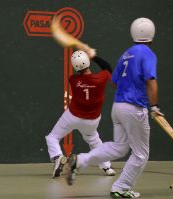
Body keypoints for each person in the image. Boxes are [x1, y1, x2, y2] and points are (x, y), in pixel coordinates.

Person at [65, 17, 164, 198]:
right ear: (152, 35)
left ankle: (80, 160)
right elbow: (151, 81)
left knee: (119, 147)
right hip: (134, 108)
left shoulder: (126, 54)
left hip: (118, 107)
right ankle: (121, 187)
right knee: (141, 154)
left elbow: (114, 83)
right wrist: (155, 106)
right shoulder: (147, 54)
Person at [45, 49, 116, 178]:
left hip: (72, 117)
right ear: (88, 62)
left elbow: (82, 76)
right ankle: (107, 167)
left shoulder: (73, 79)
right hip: (92, 121)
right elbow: (108, 68)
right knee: (94, 141)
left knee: (52, 137)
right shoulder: (101, 78)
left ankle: (58, 157)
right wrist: (94, 56)